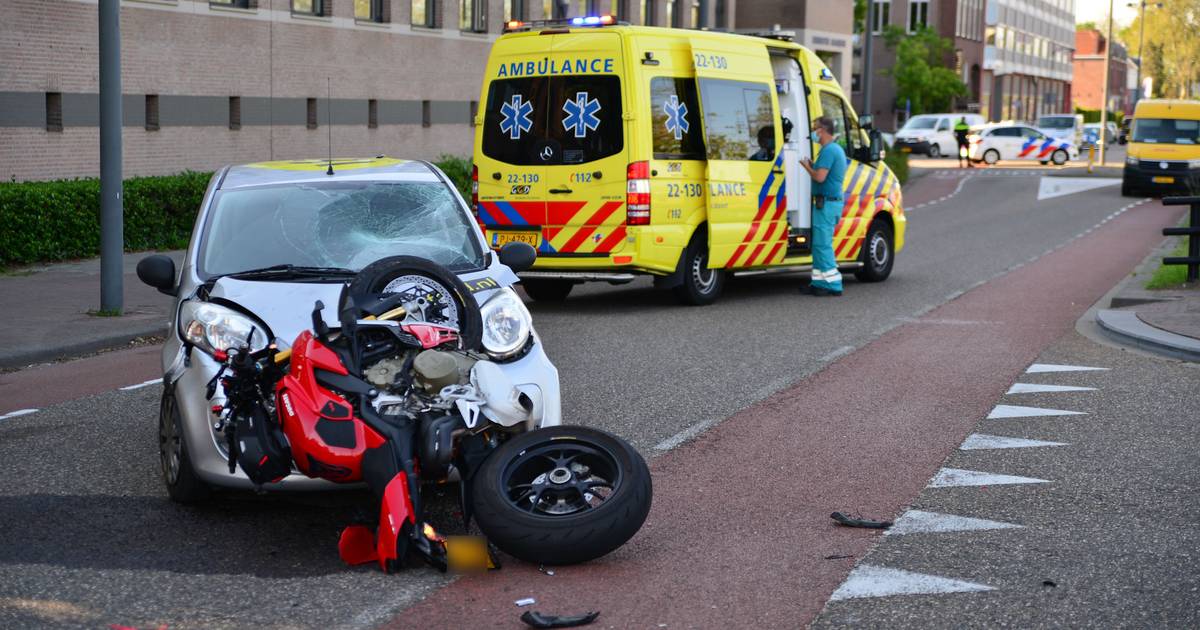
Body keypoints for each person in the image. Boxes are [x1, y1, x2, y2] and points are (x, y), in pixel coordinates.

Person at [799, 116, 846, 296]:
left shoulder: (829, 150)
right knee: (819, 244)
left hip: (826, 204)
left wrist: (806, 167)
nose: (813, 131)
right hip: (828, 204)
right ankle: (819, 283)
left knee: (823, 245)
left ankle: (834, 285)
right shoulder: (833, 150)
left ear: (822, 131)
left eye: (815, 128)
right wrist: (813, 165)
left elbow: (819, 177)